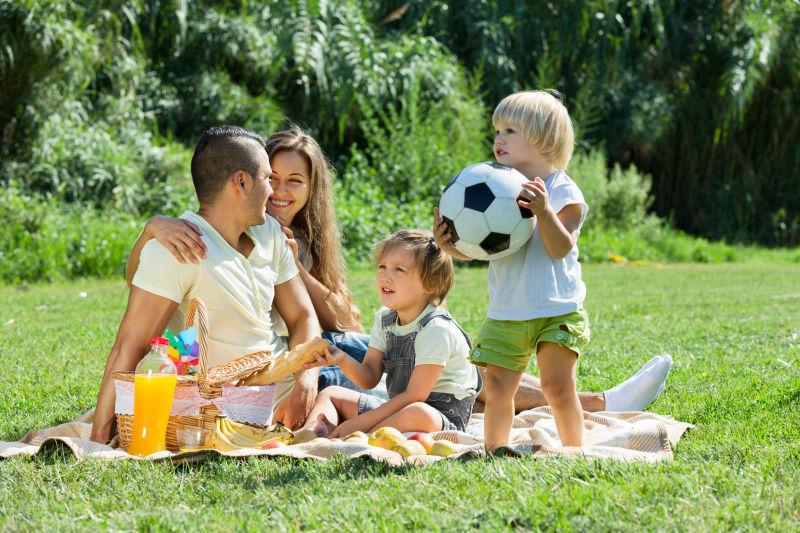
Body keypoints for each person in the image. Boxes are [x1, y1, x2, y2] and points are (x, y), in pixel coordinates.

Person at [128, 127, 669, 416]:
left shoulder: (294, 240)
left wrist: (293, 263)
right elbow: (146, 279)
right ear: (250, 178)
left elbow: (343, 315)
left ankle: (590, 401)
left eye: (298, 181)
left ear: (311, 190)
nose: (284, 191)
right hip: (274, 367)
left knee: (435, 356)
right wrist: (152, 226)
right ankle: (593, 402)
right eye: (276, 177)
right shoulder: (219, 224)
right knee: (437, 363)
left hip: (326, 353)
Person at [434, 90, 671, 450]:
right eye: (496, 130)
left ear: (544, 138)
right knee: (498, 387)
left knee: (558, 388)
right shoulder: (493, 184)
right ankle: (496, 450)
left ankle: (574, 449)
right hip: (507, 312)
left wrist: (544, 211)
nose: (499, 138)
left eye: (510, 130)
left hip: (556, 310)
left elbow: (560, 248)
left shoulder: (563, 191)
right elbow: (480, 250)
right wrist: (448, 243)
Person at [90, 125, 322, 443]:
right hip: (228, 407)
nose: (273, 191)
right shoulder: (176, 248)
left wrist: (306, 381)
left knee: (370, 364)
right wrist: (97, 440)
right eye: (268, 178)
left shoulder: (270, 231)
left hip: (303, 377)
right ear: (240, 182)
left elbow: (303, 318)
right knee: (384, 394)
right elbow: (128, 348)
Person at [297, 230, 480, 439]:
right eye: (382, 267)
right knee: (331, 394)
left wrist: (358, 424)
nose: (385, 275)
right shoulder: (385, 320)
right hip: (396, 410)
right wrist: (342, 359)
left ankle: (352, 435)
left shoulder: (436, 329)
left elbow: (414, 397)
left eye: (398, 269)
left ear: (430, 284)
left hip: (441, 417)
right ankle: (309, 436)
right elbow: (369, 378)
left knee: (418, 412)